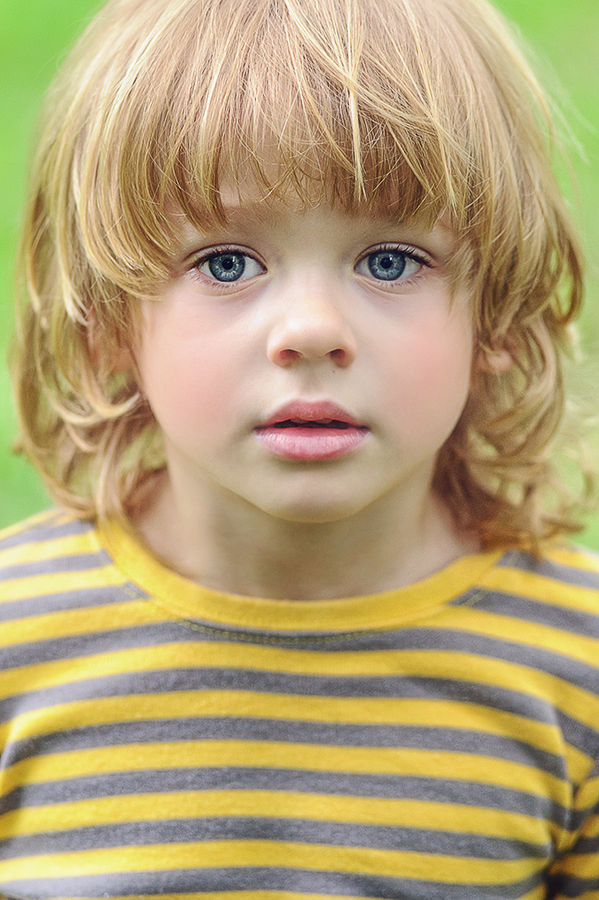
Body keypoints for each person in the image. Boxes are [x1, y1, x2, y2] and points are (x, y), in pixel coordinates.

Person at [0, 0, 598, 895]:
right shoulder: (17, 639)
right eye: (226, 263)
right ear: (107, 323)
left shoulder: (575, 665)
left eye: (391, 260)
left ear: (497, 317)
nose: (311, 331)